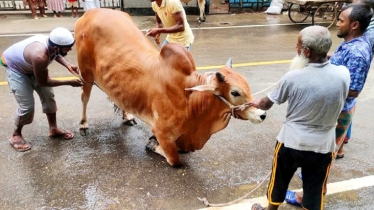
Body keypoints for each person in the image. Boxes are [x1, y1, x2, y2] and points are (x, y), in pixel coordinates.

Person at [249, 25, 350, 210]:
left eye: (298, 45)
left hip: (291, 143)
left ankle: (271, 209)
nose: (296, 49)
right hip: (323, 147)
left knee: (279, 180)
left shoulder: (293, 77)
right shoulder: (343, 74)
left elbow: (267, 104)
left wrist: (254, 102)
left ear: (307, 51)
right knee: (314, 188)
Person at [283, 3, 373, 208]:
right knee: (325, 153)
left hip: (337, 112)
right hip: (336, 110)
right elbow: (341, 60)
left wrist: (320, 83)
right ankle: (317, 188)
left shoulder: (357, 52)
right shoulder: (351, 42)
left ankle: (308, 195)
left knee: (322, 156)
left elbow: (354, 90)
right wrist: (322, 56)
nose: (337, 24)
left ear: (354, 25)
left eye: (341, 21)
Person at [0, 27, 83, 152]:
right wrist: (69, 82)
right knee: (27, 106)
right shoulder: (40, 57)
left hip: (32, 65)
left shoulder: (52, 44)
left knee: (49, 97)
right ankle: (16, 134)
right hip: (17, 70)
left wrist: (68, 65)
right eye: (68, 47)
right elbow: (43, 82)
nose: (70, 49)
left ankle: (53, 129)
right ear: (56, 47)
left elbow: (56, 54)